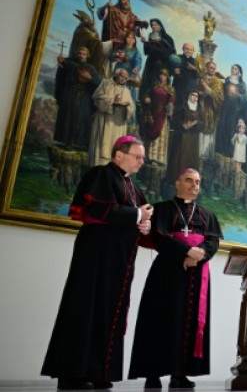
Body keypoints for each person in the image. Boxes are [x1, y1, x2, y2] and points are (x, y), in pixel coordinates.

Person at [41, 136, 154, 390]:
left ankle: (100, 372)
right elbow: (95, 211)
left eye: (143, 157)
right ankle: (73, 374)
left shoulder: (132, 187)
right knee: (86, 308)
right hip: (96, 256)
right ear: (118, 155)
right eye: (137, 156)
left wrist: (145, 225)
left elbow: (139, 217)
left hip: (120, 261)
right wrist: (137, 215)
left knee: (109, 311)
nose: (141, 161)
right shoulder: (101, 175)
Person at [129, 168, 222, 390]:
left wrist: (198, 254)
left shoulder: (207, 214)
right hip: (167, 273)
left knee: (189, 323)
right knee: (160, 321)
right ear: (177, 183)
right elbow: (159, 237)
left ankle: (180, 373)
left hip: (196, 275)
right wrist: (187, 252)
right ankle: (153, 373)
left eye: (198, 182)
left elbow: (213, 242)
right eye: (189, 180)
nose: (194, 185)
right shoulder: (161, 209)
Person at [54, 46, 101, 150]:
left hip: (83, 97)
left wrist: (90, 78)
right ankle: (66, 142)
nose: (81, 56)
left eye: (84, 54)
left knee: (79, 119)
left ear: (87, 56)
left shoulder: (91, 68)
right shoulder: (69, 64)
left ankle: (77, 143)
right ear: (77, 54)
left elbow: (98, 83)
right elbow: (61, 77)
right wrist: (61, 63)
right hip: (69, 94)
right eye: (80, 53)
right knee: (67, 117)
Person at [88, 68, 136, 167]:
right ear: (117, 74)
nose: (124, 79)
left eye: (126, 78)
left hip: (118, 124)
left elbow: (132, 107)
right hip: (104, 120)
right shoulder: (106, 83)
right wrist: (112, 100)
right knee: (101, 147)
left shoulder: (126, 90)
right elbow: (97, 97)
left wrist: (126, 108)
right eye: (122, 76)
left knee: (114, 147)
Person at [141, 69, 175, 165]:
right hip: (152, 111)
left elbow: (171, 101)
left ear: (167, 77)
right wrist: (146, 98)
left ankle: (158, 158)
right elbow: (146, 94)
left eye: (164, 75)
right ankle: (149, 157)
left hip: (162, 113)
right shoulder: (154, 86)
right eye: (161, 75)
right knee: (150, 131)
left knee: (160, 133)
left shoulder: (170, 88)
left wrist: (170, 109)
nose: (162, 77)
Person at [139, 18, 176, 107]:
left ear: (160, 26)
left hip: (162, 64)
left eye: (155, 25)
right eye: (152, 25)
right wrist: (145, 43)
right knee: (149, 82)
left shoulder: (167, 38)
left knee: (160, 83)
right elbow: (146, 52)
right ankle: (147, 105)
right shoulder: (150, 36)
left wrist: (158, 49)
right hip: (151, 64)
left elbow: (171, 51)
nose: (153, 27)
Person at [214, 64, 246, 158]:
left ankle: (228, 154)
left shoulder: (242, 84)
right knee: (221, 127)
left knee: (230, 129)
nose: (233, 70)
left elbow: (244, 98)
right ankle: (219, 151)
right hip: (225, 108)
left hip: (234, 110)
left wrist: (238, 95)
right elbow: (222, 90)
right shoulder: (227, 80)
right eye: (232, 68)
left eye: (235, 69)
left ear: (239, 72)